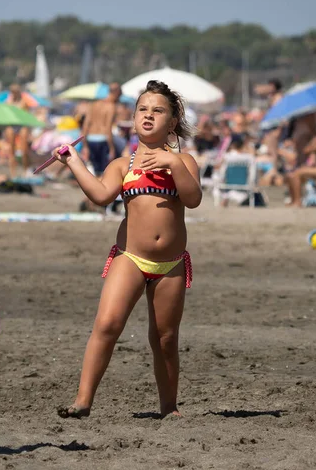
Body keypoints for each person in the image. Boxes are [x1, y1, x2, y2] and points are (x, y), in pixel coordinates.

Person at [53, 80, 201, 419]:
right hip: (130, 258)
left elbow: (192, 200)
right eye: (142, 110)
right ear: (133, 118)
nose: (148, 115)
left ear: (172, 122)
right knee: (107, 324)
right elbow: (101, 195)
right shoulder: (123, 165)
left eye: (158, 110)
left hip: (171, 265)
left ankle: (169, 407)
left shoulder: (185, 162)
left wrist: (172, 164)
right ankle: (83, 400)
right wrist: (74, 162)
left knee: (164, 339)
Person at [81, 83, 122, 176]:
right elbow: (108, 128)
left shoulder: (93, 104)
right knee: (102, 173)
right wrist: (112, 148)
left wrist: (85, 145)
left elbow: (86, 124)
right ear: (117, 93)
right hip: (103, 140)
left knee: (93, 171)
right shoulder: (111, 107)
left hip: (90, 139)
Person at [4, 84, 33, 177]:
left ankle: (25, 170)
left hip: (21, 124)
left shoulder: (23, 102)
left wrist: (29, 131)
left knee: (24, 150)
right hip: (11, 124)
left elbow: (27, 116)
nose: (14, 94)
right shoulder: (8, 102)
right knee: (11, 150)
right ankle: (13, 173)